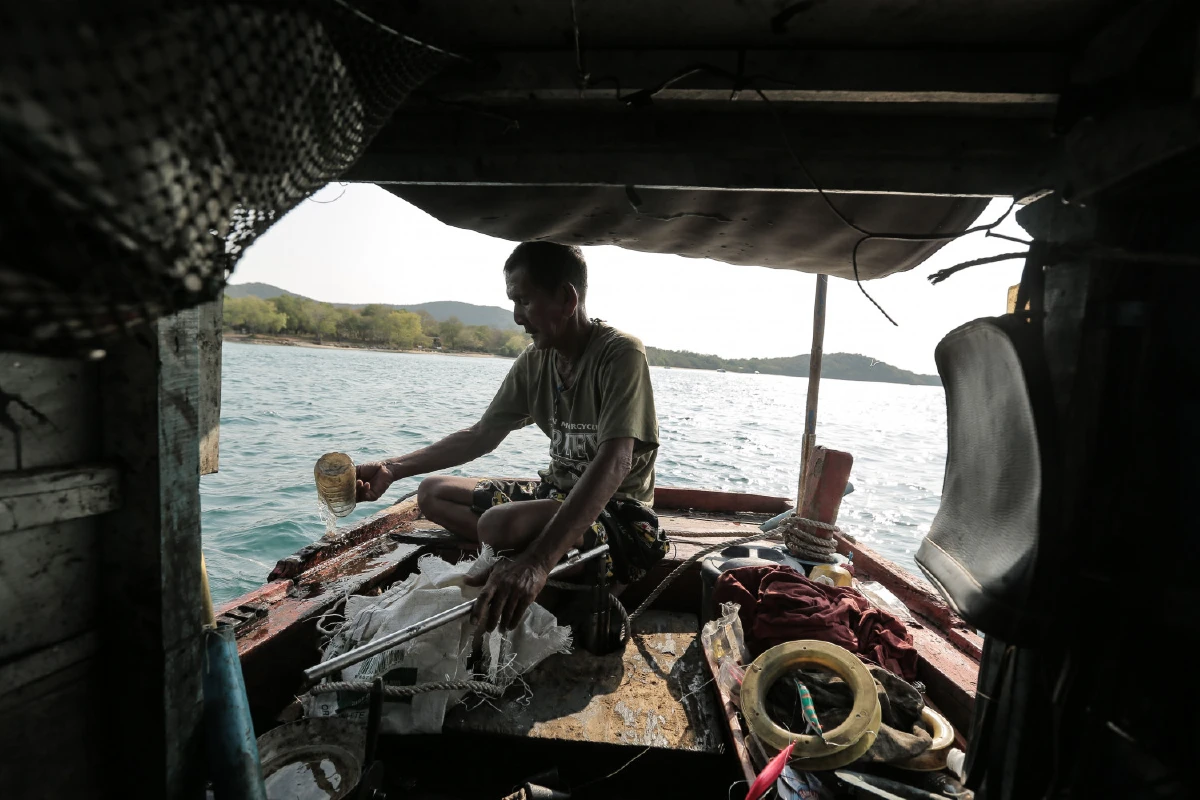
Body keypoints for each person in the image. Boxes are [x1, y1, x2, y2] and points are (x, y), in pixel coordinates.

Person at [354, 242, 669, 632]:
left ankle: (546, 556)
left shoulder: (620, 354)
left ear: (567, 299)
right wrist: (392, 468)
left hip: (620, 516)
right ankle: (537, 552)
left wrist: (536, 563)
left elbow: (616, 462)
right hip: (554, 496)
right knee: (432, 494)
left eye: (524, 301)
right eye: (513, 303)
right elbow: (481, 436)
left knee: (496, 526)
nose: (518, 316)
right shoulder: (535, 361)